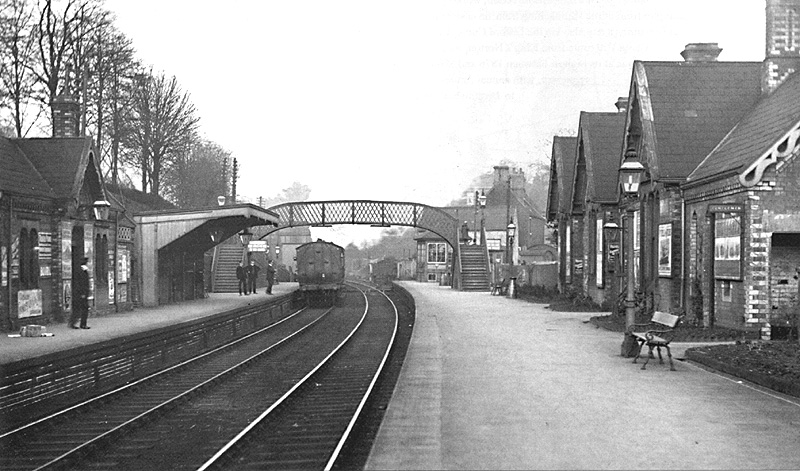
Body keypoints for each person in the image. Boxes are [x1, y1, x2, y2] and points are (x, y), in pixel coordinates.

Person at [70, 257, 91, 329]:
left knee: (77, 308)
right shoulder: (82, 271)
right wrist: (83, 293)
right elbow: (81, 283)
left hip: (80, 293)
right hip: (82, 294)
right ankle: (82, 324)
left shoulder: (79, 270)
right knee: (84, 308)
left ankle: (73, 323)